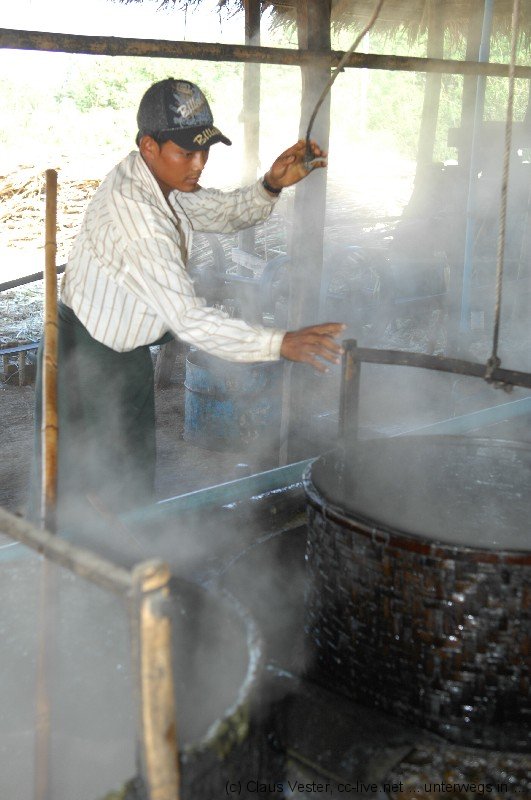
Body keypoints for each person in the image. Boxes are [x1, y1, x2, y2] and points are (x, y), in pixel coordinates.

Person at [32, 78, 344, 523]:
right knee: (82, 487)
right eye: (186, 152)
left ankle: (127, 555)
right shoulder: (137, 215)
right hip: (86, 356)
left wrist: (271, 185)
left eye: (205, 150)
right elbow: (188, 319)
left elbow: (218, 210)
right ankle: (79, 558)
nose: (198, 164)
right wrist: (280, 343)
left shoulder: (161, 179)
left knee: (129, 478)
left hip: (123, 350)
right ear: (149, 146)